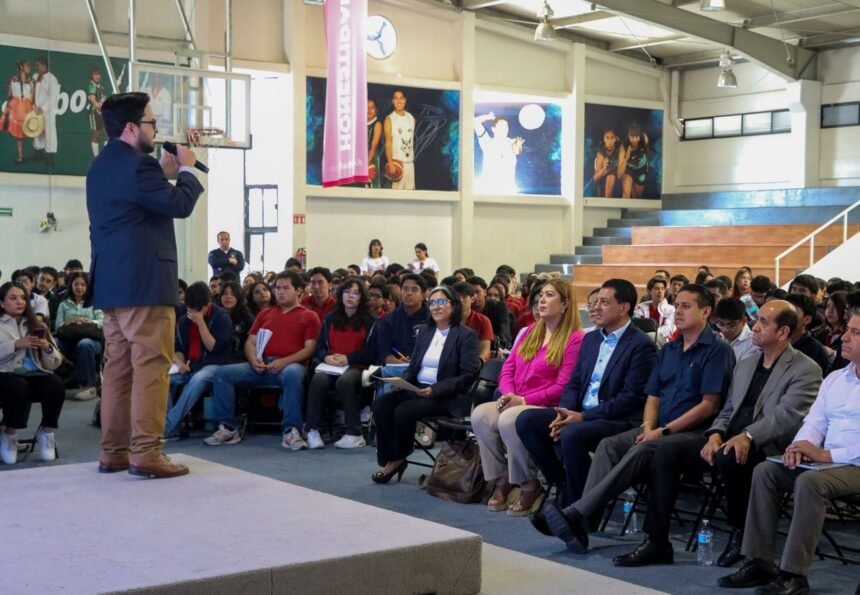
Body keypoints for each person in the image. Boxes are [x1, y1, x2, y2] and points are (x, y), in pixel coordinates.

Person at [541, 285, 735, 558]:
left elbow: (708, 406)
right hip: (657, 428)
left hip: (695, 434)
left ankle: (577, 514)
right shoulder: (670, 349)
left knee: (647, 448)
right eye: (677, 306)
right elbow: (653, 397)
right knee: (609, 445)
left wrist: (661, 431)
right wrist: (648, 428)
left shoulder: (717, 350)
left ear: (705, 312)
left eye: (686, 306)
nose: (678, 312)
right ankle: (581, 522)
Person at [86, 91, 203, 479]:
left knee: (118, 372)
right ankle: (147, 452)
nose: (156, 130)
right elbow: (180, 205)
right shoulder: (140, 166)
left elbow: (139, 202)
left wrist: (165, 173)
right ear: (131, 127)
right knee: (152, 368)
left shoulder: (99, 167)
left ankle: (113, 452)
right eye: (151, 123)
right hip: (146, 284)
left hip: (113, 286)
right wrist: (188, 170)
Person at [718, 307, 860, 595]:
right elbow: (814, 422)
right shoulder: (836, 379)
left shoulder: (811, 369)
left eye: (855, 333)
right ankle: (760, 561)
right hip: (828, 462)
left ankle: (794, 574)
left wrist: (826, 456)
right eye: (847, 330)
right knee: (766, 471)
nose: (844, 337)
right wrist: (799, 446)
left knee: (810, 482)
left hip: (851, 464)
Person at [517, 279, 657, 522]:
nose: (595, 307)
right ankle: (562, 483)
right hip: (580, 414)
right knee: (526, 420)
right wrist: (564, 412)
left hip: (616, 418)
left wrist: (582, 417)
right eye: (595, 302)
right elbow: (574, 382)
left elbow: (630, 399)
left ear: (624, 308)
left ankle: (574, 509)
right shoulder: (591, 339)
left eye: (604, 302)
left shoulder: (641, 345)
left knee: (573, 434)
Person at [701, 300, 821, 568]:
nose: (755, 327)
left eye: (764, 323)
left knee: (731, 458)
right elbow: (729, 408)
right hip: (730, 436)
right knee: (666, 452)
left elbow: (786, 417)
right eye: (757, 320)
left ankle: (740, 533)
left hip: (770, 443)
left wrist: (748, 436)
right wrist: (715, 433)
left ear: (783, 332)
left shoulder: (806, 369)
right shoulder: (746, 362)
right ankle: (656, 540)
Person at [472, 279, 584, 515]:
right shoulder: (531, 331)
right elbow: (507, 368)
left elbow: (563, 386)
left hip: (546, 406)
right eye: (541, 295)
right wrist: (509, 393)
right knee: (481, 414)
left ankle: (528, 483)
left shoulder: (575, 338)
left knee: (509, 419)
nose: (541, 300)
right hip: (515, 398)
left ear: (565, 304)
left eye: (550, 295)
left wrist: (523, 401)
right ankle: (502, 479)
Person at [371, 285, 480, 483]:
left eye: (441, 302)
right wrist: (403, 382)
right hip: (418, 388)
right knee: (381, 404)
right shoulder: (425, 331)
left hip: (446, 396)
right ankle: (391, 457)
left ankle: (397, 459)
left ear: (453, 305)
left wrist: (435, 389)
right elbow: (414, 367)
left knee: (403, 411)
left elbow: (468, 376)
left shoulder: (466, 335)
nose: (436, 307)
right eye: (432, 303)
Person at [205, 270, 320, 449]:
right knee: (222, 373)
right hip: (261, 364)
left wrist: (284, 361)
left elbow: (309, 349)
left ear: (298, 291)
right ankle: (228, 427)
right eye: (277, 288)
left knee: (293, 373)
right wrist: (253, 359)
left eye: (285, 288)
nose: (280, 292)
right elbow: (250, 342)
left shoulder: (309, 316)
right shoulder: (265, 314)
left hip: (289, 366)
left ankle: (291, 430)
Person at [305, 277, 377, 450]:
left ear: (362, 297)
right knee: (318, 379)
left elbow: (372, 353)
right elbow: (320, 347)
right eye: (347, 292)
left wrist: (349, 359)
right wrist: (326, 357)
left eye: (355, 293)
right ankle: (312, 429)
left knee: (345, 381)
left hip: (358, 366)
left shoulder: (371, 321)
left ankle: (354, 433)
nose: (350, 296)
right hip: (331, 365)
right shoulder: (330, 318)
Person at [0, 282, 64, 464]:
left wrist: (47, 348)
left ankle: (47, 432)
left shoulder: (37, 324)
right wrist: (15, 345)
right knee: (18, 387)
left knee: (56, 384)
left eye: (23, 298)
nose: (20, 302)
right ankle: (9, 434)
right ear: (2, 303)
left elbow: (55, 363)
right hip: (5, 373)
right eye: (13, 298)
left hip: (33, 374)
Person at [163, 282, 232, 439]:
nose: (193, 313)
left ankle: (167, 426)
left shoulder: (221, 317)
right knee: (163, 379)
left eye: (198, 309)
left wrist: (201, 323)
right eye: (190, 309)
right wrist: (180, 363)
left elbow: (214, 348)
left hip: (216, 365)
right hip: (191, 365)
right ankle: (172, 428)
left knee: (198, 379)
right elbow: (178, 349)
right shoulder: (183, 321)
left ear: (208, 304)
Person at [54, 272, 103, 399]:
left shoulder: (94, 303)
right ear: (71, 285)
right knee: (54, 343)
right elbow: (58, 326)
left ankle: (88, 383)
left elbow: (102, 322)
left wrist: (89, 321)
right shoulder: (64, 304)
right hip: (69, 338)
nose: (79, 287)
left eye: (83, 284)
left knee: (85, 344)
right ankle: (56, 382)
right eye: (76, 284)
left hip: (90, 337)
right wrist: (69, 322)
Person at [474, 111, 524, 194]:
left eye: (506, 126)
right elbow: (475, 122)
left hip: (507, 191)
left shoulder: (512, 142)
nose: (504, 128)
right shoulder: (487, 142)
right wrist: (488, 117)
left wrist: (518, 146)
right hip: (488, 190)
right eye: (501, 126)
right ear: (494, 129)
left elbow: (518, 151)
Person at [785, 293, 831, 376]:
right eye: (784, 311)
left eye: (792, 312)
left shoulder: (815, 350)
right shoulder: (773, 340)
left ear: (807, 319)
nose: (784, 316)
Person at [452, 282, 494, 361]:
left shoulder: (483, 321)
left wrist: (475, 364)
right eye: (457, 297)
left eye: (464, 296)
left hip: (473, 363)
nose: (460, 300)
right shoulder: (445, 319)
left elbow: (485, 350)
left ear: (472, 299)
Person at [383, 89, 416, 190]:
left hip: (410, 164)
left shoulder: (411, 118)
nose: (399, 101)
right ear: (393, 101)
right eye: (396, 98)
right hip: (397, 164)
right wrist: (390, 164)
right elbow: (388, 144)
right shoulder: (389, 119)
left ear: (405, 100)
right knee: (396, 197)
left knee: (410, 196)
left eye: (401, 98)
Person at [468, 276, 513, 348]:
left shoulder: (499, 308)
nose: (475, 296)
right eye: (471, 293)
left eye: (477, 292)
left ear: (485, 292)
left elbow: (504, 337)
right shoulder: (463, 310)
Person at [217, 280, 256, 363]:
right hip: (219, 359)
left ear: (239, 297)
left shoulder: (247, 317)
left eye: (233, 294)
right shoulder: (216, 315)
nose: (228, 297)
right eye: (225, 294)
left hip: (241, 360)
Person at [32, 56, 59, 165]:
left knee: (49, 131)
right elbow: (32, 92)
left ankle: (50, 156)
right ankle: (37, 152)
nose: (36, 67)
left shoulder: (52, 79)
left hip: (48, 111)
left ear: (44, 65)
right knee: (36, 129)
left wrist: (42, 109)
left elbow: (53, 97)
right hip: (36, 109)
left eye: (38, 65)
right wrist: (33, 105)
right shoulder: (35, 76)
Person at [5, 60, 34, 164]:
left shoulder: (31, 81)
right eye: (27, 66)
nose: (29, 68)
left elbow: (33, 97)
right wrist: (9, 87)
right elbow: (9, 95)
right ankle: (20, 156)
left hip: (27, 107)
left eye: (29, 66)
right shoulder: (14, 79)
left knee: (30, 130)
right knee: (19, 134)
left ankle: (37, 152)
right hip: (17, 108)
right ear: (21, 67)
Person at [714, 298, 759, 362]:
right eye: (721, 324)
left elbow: (741, 368)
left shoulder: (753, 344)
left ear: (744, 321)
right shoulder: (718, 337)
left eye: (731, 325)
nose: (725, 330)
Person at [634, 276, 675, 345]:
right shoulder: (641, 308)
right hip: (642, 340)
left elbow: (668, 330)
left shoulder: (671, 309)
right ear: (649, 291)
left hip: (664, 341)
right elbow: (635, 327)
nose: (660, 292)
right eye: (656, 288)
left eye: (662, 289)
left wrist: (647, 335)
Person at [618, 122, 649, 199]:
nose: (634, 140)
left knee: (637, 197)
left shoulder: (644, 138)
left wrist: (647, 163)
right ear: (628, 136)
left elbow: (647, 150)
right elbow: (619, 175)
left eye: (637, 137)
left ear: (639, 136)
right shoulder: (624, 146)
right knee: (626, 194)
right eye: (632, 137)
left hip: (641, 168)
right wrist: (626, 158)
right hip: (629, 169)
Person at [592, 127, 620, 198]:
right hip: (602, 174)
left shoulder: (619, 149)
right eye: (607, 138)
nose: (609, 141)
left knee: (610, 178)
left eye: (612, 138)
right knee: (600, 195)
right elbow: (595, 178)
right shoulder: (601, 154)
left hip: (613, 173)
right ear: (604, 139)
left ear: (615, 139)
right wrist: (604, 169)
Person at [86, 67, 107, 156]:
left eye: (98, 74)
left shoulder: (101, 87)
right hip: (94, 113)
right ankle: (96, 158)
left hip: (102, 113)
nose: (97, 76)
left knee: (107, 135)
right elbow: (93, 101)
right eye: (95, 74)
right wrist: (99, 105)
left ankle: (105, 156)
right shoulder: (91, 86)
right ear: (91, 76)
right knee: (96, 135)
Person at [365, 98, 383, 188]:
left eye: (372, 108)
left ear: (376, 111)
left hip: (373, 158)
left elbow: (374, 147)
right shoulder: (360, 123)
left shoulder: (377, 124)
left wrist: (365, 165)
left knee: (373, 187)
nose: (369, 110)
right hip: (362, 160)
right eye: (367, 107)